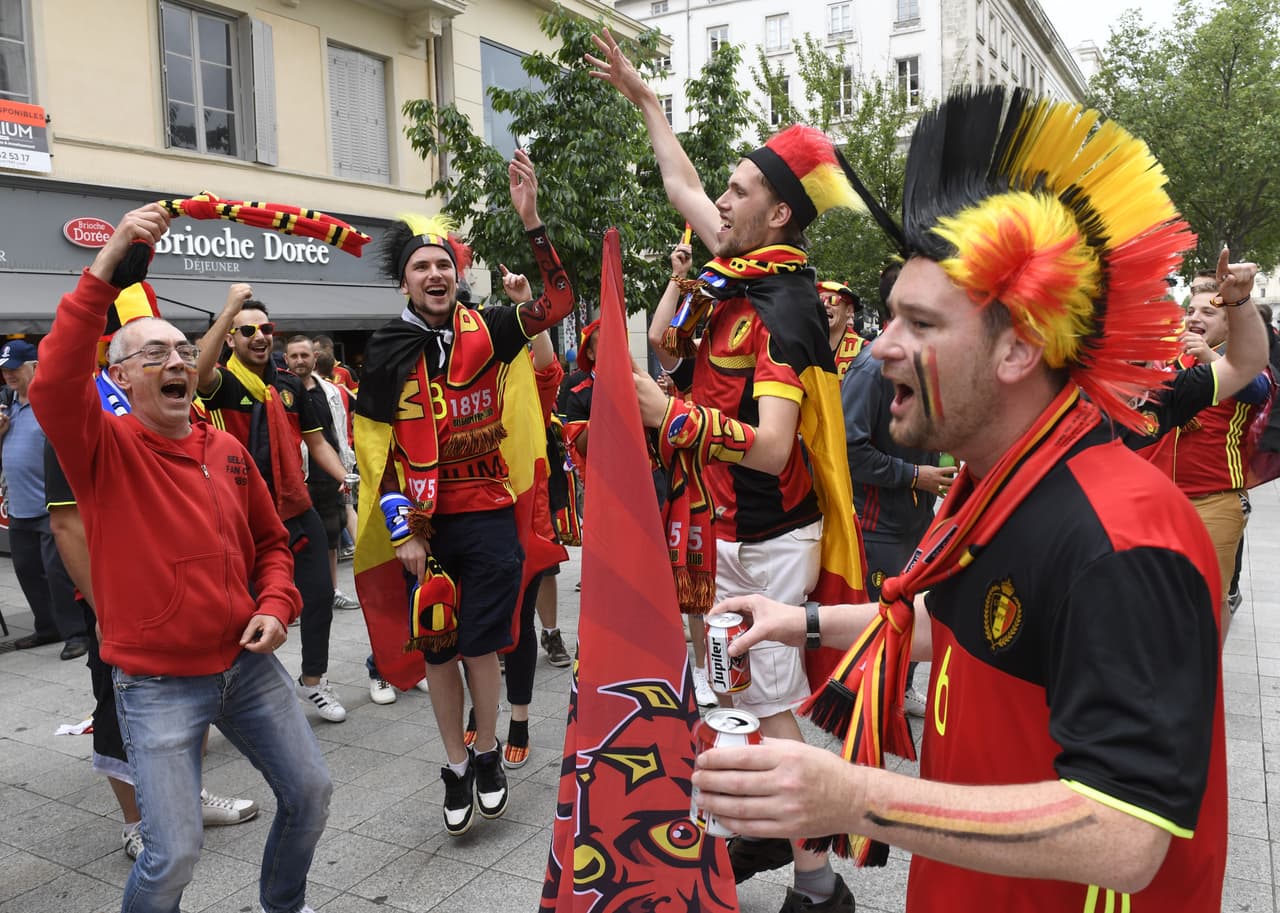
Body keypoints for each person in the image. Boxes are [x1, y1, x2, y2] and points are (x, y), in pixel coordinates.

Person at [692, 86, 1226, 913]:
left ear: (1017, 350)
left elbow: (1127, 834)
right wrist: (796, 621)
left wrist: (852, 796)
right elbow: (958, 622)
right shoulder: (992, 479)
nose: (883, 346)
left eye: (920, 324)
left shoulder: (1123, 535)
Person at [590, 31, 866, 913]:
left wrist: (663, 410)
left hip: (771, 542)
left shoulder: (784, 307)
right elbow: (676, 179)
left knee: (776, 709)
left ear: (776, 214)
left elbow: (778, 446)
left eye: (738, 190)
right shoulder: (733, 269)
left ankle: (818, 886)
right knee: (726, 692)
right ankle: (754, 835)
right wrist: (644, 100)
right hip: (714, 533)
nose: (718, 199)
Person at [30, 202, 331, 913]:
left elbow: (271, 546)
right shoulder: (101, 446)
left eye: (182, 351)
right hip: (159, 680)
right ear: (122, 378)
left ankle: (281, 904)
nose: (175, 361)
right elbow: (54, 379)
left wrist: (275, 604)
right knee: (173, 853)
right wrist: (109, 263)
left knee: (311, 791)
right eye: (154, 354)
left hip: (247, 663)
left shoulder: (224, 450)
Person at [354, 149, 574, 837]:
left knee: (485, 642)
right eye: (421, 266)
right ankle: (454, 763)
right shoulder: (385, 351)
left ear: (458, 275)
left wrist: (531, 220)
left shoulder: (493, 332)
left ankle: (486, 754)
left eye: (444, 263)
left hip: (488, 516)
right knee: (438, 648)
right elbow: (376, 458)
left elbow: (559, 300)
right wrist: (404, 533)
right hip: (425, 525)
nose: (435, 273)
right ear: (404, 284)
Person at [195, 289, 352, 724]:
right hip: (241, 516)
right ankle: (251, 693)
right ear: (231, 337)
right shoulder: (223, 382)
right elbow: (198, 370)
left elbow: (316, 440)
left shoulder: (287, 383)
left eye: (266, 328)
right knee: (245, 610)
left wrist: (346, 477)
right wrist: (227, 308)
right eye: (247, 331)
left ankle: (313, 681)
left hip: (295, 506)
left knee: (320, 594)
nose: (259, 337)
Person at [840, 263, 953, 717]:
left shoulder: (921, 362)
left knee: (906, 610)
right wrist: (914, 476)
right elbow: (850, 450)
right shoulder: (871, 367)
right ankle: (862, 701)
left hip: (914, 520)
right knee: (876, 618)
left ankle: (897, 691)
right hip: (877, 526)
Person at [1139, 274, 1273, 635]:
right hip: (1155, 501)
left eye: (1208, 312)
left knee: (1207, 599)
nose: (1195, 317)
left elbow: (1258, 389)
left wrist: (1210, 358)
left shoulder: (1243, 362)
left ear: (1230, 323)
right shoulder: (1171, 362)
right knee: (1149, 593)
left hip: (1213, 501)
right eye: (1190, 310)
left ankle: (1206, 675)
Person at [0, 339, 89, 659]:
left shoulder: (50, 404)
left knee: (59, 573)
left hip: (51, 505)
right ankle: (47, 626)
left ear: (34, 366)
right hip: (19, 506)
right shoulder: (5, 406)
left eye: (15, 369)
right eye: (5, 370)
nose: (9, 375)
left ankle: (76, 632)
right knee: (26, 570)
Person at [283, 336, 360, 613]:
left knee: (330, 537)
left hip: (329, 473)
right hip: (295, 476)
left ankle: (332, 591)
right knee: (295, 540)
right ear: (286, 360)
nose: (300, 361)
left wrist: (345, 470)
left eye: (305, 355)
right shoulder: (280, 392)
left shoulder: (330, 392)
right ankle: (294, 599)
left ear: (314, 358)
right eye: (295, 356)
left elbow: (341, 429)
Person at [817, 280, 865, 378]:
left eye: (833, 300)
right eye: (820, 299)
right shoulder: (802, 348)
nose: (825, 304)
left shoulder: (864, 352)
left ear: (849, 310)